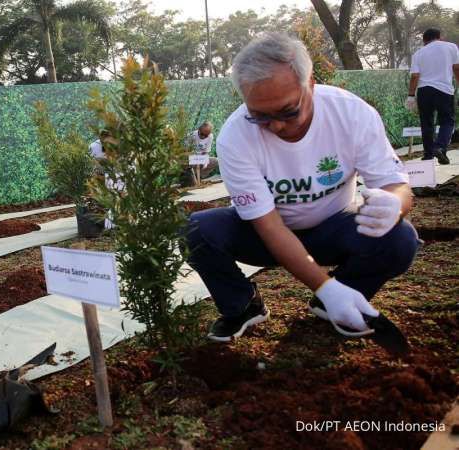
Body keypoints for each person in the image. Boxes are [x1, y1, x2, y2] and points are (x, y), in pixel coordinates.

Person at [186, 33, 419, 342]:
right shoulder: (235, 137)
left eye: (288, 111)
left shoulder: (350, 113)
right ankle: (242, 305)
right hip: (264, 236)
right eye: (260, 116)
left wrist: (395, 203)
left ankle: (338, 299)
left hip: (332, 229)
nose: (277, 126)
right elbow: (269, 227)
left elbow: (396, 185)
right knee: (198, 231)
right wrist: (324, 284)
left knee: (400, 238)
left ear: (310, 84)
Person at [406, 28, 459, 165]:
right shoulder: (451, 47)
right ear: (440, 36)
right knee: (447, 121)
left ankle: (428, 154)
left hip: (424, 92)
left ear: (424, 40)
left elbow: (415, 76)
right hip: (444, 91)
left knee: (426, 123)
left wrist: (411, 96)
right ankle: (440, 147)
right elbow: (457, 68)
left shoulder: (418, 53)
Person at [182, 122, 219, 186]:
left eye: (206, 135)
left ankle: (198, 176)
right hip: (190, 159)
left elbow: (206, 151)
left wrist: (205, 162)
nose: (203, 137)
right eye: (202, 134)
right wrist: (193, 158)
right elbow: (185, 151)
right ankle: (191, 177)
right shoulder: (191, 135)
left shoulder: (210, 136)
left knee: (216, 161)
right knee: (187, 166)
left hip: (201, 158)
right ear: (199, 130)